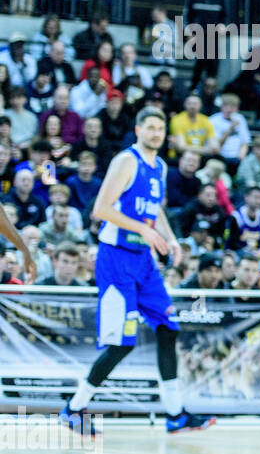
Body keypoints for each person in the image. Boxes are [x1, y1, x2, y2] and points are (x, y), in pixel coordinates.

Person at [59, 107, 215, 436]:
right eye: (151, 127)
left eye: (161, 128)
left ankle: (176, 415)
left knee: (168, 328)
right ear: (139, 129)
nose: (157, 133)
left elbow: (154, 209)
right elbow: (100, 209)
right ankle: (74, 409)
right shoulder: (126, 161)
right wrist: (145, 231)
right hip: (116, 259)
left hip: (143, 261)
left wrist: (171, 240)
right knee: (121, 343)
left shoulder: (159, 166)